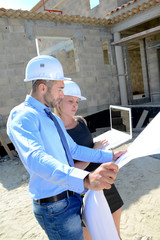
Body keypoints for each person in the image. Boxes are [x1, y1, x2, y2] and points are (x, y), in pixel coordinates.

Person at [7, 55, 126, 240]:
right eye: (60, 89)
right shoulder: (23, 116)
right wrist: (85, 179)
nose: (62, 94)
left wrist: (109, 156)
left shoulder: (51, 117)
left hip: (72, 197)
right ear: (42, 87)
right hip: (54, 208)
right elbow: (35, 158)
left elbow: (74, 150)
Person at [55, 80, 124, 239]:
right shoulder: (56, 133)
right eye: (70, 101)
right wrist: (94, 149)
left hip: (104, 181)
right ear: (58, 102)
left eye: (77, 102)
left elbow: (89, 147)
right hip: (81, 190)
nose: (75, 105)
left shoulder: (81, 121)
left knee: (115, 235)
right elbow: (71, 169)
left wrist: (101, 149)